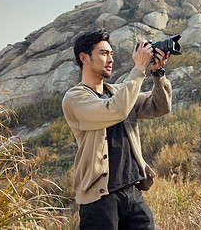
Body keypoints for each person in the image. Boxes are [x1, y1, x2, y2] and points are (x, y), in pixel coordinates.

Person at [62, 29, 172, 229]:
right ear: (84, 58)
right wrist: (139, 68)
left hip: (132, 192)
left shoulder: (118, 91)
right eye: (104, 53)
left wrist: (157, 73)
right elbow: (116, 110)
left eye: (111, 54)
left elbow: (160, 106)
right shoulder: (74, 99)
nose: (110, 59)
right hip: (100, 200)